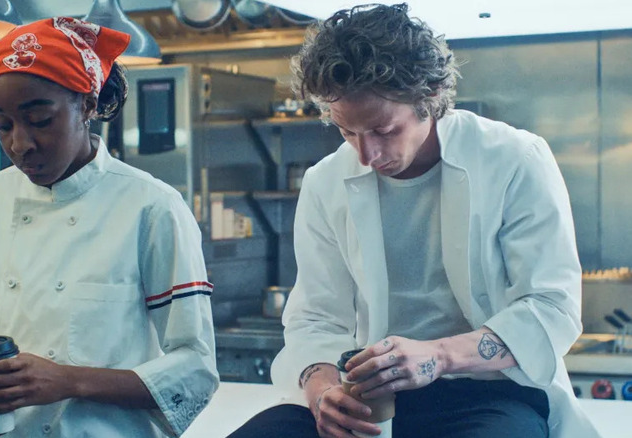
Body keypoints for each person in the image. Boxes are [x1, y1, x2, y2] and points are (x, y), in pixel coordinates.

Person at [228, 3, 599, 438]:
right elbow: (315, 317)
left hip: (491, 395)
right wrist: (323, 390)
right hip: (369, 399)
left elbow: (551, 308)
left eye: (383, 130)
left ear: (432, 95)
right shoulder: (325, 181)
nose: (366, 155)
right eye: (347, 132)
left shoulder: (514, 159)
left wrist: (437, 356)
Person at [0, 17, 218, 438]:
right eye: (3, 125)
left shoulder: (151, 207)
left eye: (40, 120)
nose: (19, 144)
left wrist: (69, 380)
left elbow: (195, 367)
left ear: (86, 105)